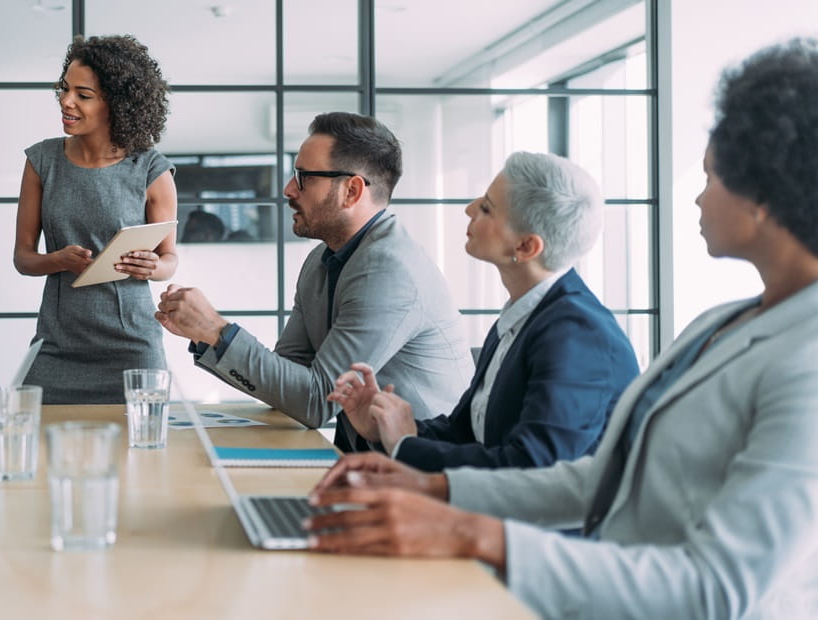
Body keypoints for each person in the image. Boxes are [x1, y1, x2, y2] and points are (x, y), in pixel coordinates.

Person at [305, 39, 818, 619]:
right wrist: (429, 488)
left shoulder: (806, 364)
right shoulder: (720, 322)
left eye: (712, 176)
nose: (698, 195)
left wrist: (469, 532)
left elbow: (716, 590)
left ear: (765, 194)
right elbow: (598, 479)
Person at [156, 112, 473, 452]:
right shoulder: (322, 260)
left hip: (422, 471)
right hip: (365, 464)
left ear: (351, 190)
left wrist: (216, 331)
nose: (289, 189)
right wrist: (210, 335)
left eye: (304, 177)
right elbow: (288, 381)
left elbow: (316, 401)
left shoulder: (389, 271)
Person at [327, 152, 638, 471]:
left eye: (487, 207)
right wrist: (384, 428)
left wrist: (406, 446)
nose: (469, 209)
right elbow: (464, 434)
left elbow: (530, 467)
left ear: (526, 247)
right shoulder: (525, 314)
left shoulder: (576, 335)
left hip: (540, 520)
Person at [14, 34, 178, 404]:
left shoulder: (151, 169)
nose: (66, 101)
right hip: (57, 345)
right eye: (65, 88)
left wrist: (153, 265)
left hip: (132, 346)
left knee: (142, 454)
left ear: (117, 105)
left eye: (83, 95)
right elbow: (23, 258)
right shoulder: (42, 161)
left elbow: (169, 261)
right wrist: (56, 260)